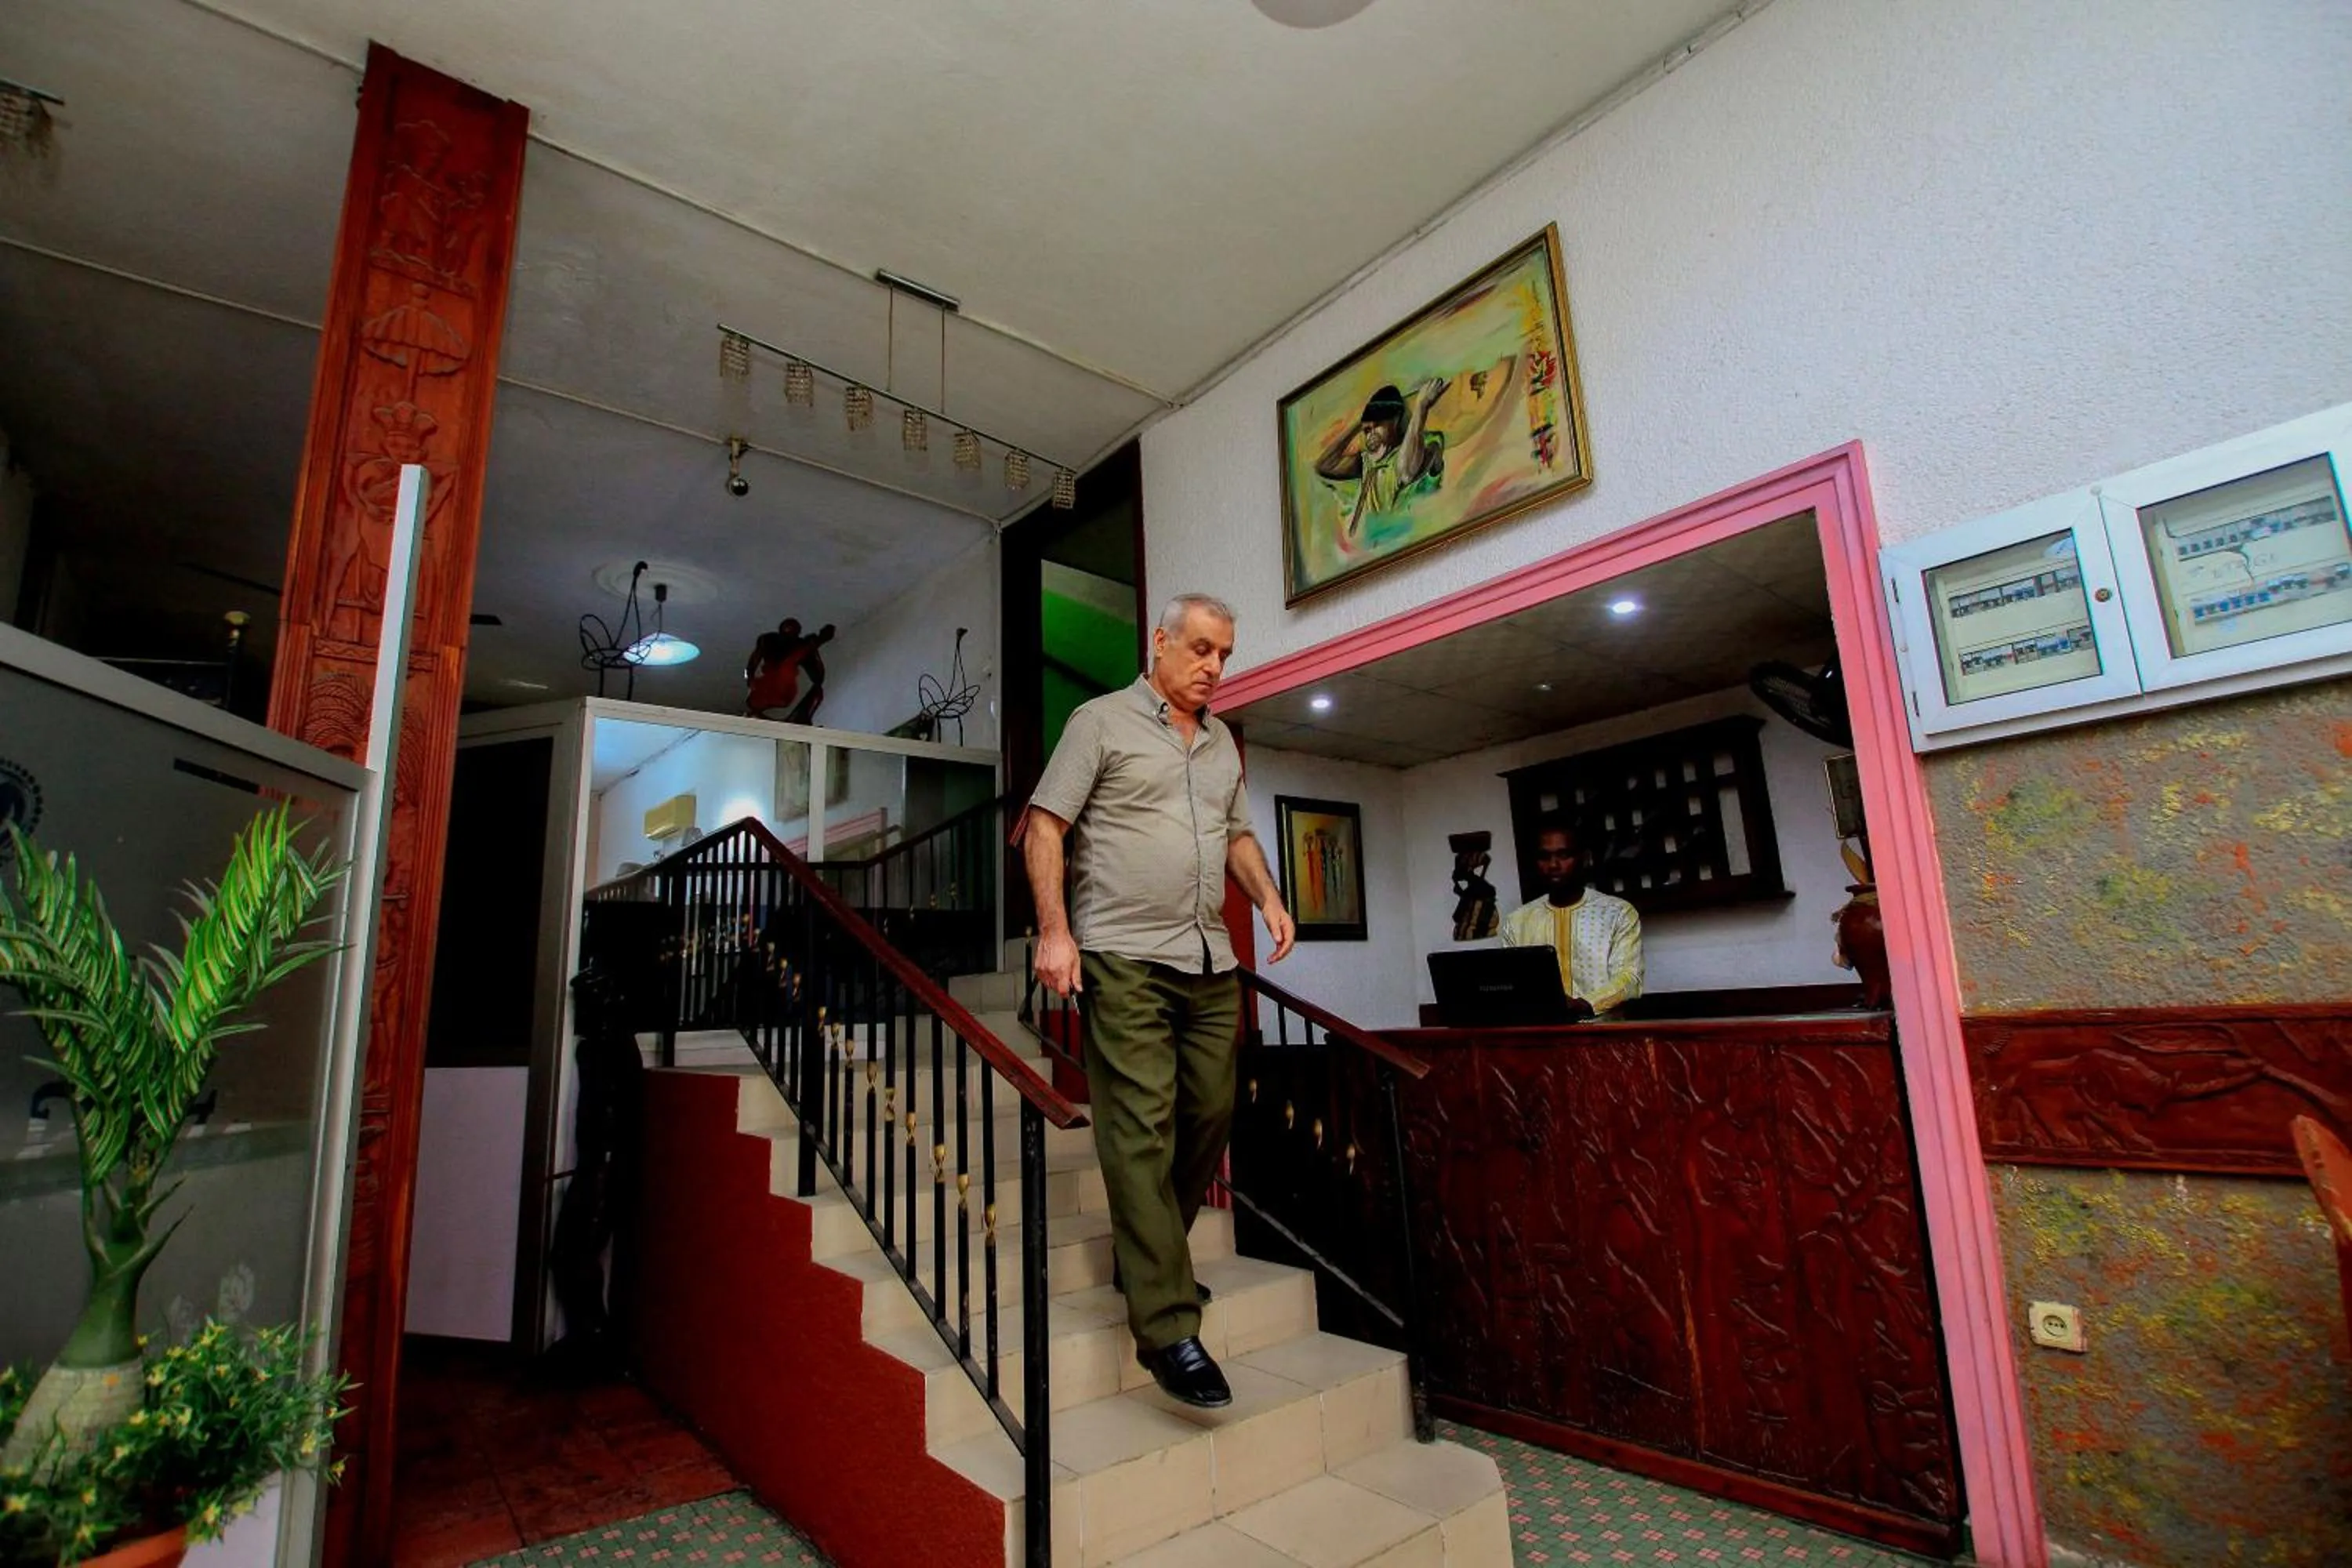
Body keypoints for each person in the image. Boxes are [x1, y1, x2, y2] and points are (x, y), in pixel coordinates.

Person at [1018, 593, 1296, 1409]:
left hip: (1208, 956)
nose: (1214, 666)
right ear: (1160, 642)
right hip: (1123, 955)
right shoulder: (1099, 722)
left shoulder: (1220, 744)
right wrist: (1054, 932)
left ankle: (1145, 1260)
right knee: (1139, 1125)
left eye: (1225, 654)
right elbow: (1045, 825)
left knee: (1209, 1112)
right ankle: (1168, 1326)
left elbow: (1236, 834)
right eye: (1202, 648)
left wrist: (1270, 899)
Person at [1499, 818, 1642, 1018]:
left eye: (1564, 855)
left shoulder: (1618, 913)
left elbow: (1630, 980)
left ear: (1584, 858)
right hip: (1540, 1033)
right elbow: (1512, 984)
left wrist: (1584, 1005)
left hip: (1603, 1033)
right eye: (1544, 857)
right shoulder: (1517, 922)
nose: (1553, 865)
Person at [1313, 380, 1449, 538]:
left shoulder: (1422, 447)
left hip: (1405, 536)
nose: (1371, 433)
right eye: (1367, 430)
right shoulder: (1365, 461)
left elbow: (1406, 472)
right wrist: (1359, 424)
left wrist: (1421, 407)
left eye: (1377, 425)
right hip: (1365, 544)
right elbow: (1324, 466)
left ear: (1395, 421)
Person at [745, 618, 835, 723]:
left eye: (792, 634)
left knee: (791, 669)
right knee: (787, 667)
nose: (788, 638)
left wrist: (815, 647)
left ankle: (803, 720)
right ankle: (758, 713)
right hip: (766, 688)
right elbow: (751, 664)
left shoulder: (800, 648)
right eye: (786, 633)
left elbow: (818, 678)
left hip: (785, 691)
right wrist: (749, 678)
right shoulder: (768, 640)